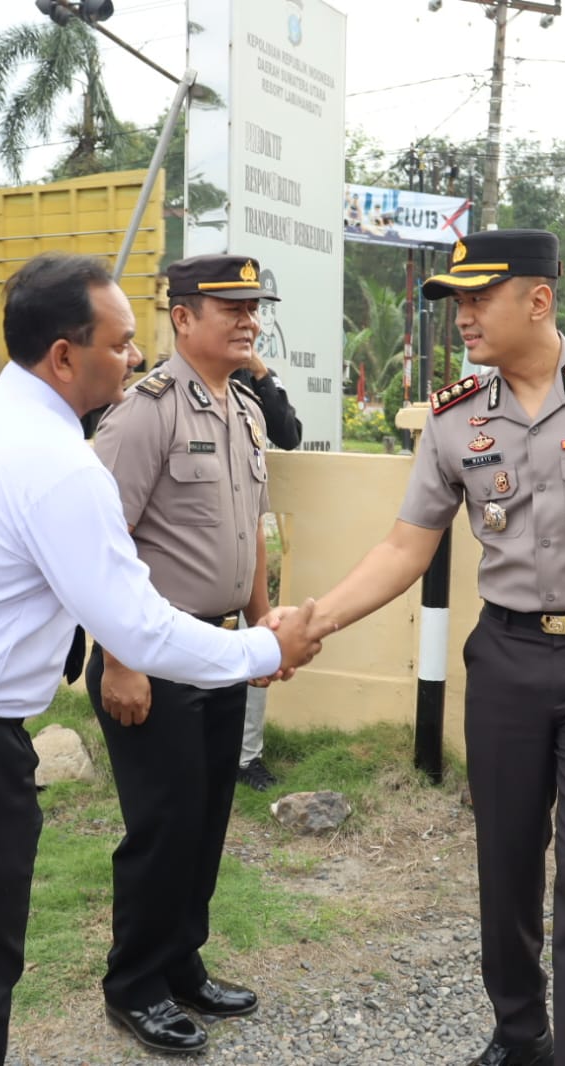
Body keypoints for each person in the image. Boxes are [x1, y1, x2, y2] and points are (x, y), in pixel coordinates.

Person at [0, 253, 329, 1066]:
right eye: (120, 342)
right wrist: (264, 646)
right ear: (64, 356)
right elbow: (136, 628)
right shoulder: (58, 461)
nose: (133, 357)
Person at [300, 229, 565, 1066]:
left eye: (477, 298)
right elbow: (404, 547)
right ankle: (520, 1034)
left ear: (537, 299)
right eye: (456, 301)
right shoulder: (454, 416)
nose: (462, 316)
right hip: (506, 657)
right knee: (506, 857)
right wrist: (316, 619)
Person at [85, 254, 284, 1052]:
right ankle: (133, 984)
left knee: (204, 821)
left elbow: (252, 533)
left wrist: (262, 631)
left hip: (218, 648)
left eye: (252, 308)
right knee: (162, 827)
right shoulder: (145, 414)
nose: (248, 320)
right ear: (182, 317)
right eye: (230, 308)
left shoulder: (244, 410)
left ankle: (180, 964)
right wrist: (119, 660)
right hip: (152, 657)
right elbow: (99, 546)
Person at [232, 281, 303, 791]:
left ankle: (247, 757)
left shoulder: (249, 385)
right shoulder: (169, 394)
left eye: (254, 313)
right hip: (194, 556)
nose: (250, 324)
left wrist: (259, 371)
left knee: (257, 644)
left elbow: (289, 434)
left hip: (249, 538)